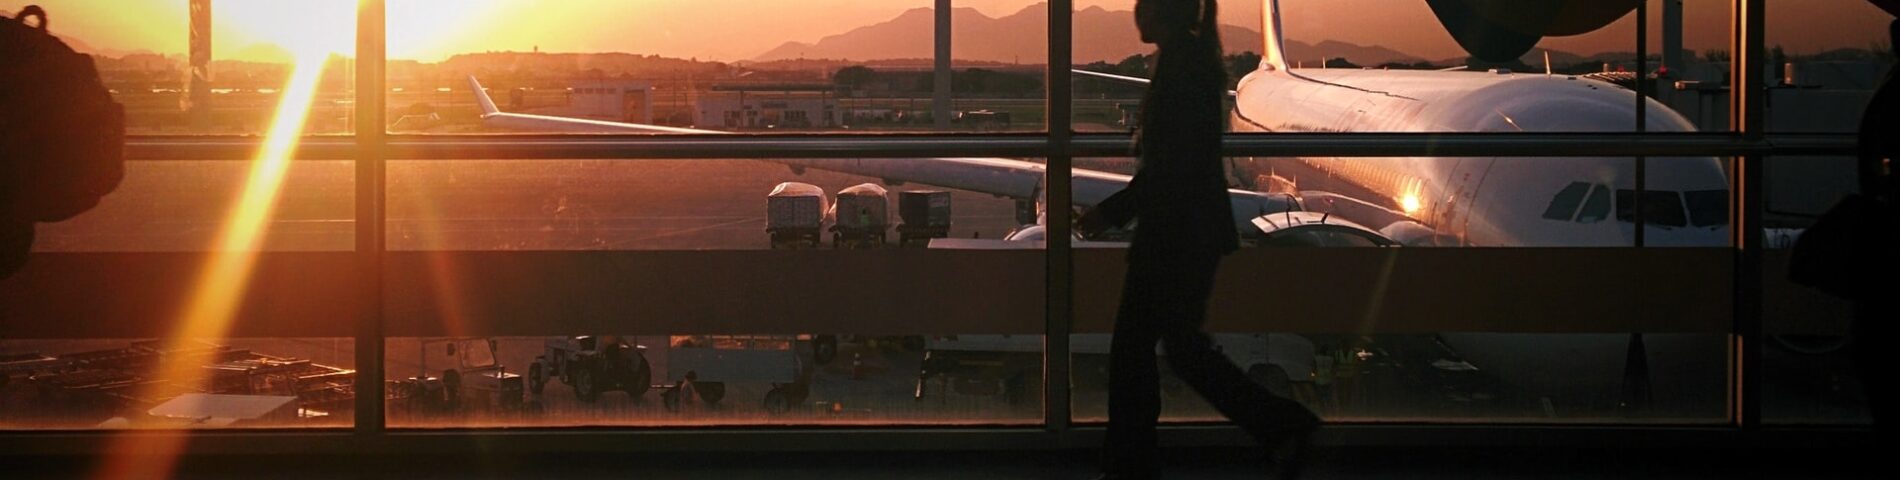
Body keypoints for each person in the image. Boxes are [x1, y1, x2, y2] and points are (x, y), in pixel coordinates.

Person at [1077, 1, 1318, 478]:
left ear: (1161, 13)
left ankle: (1133, 462)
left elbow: (1172, 165)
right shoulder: (1190, 59)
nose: (1136, 16)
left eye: (1143, 6)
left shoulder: (1181, 66)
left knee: (1137, 351)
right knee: (1179, 350)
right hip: (1187, 232)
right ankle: (1279, 425)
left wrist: (1114, 211)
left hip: (1175, 235)